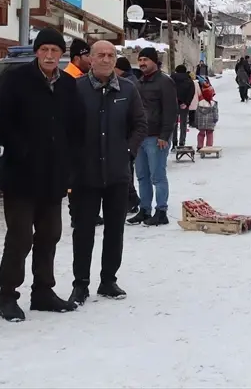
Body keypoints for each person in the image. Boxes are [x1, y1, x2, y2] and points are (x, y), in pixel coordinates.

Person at [0, 28, 83, 320]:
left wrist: (69, 163)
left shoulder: (69, 85)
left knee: (50, 235)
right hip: (21, 176)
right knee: (20, 238)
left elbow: (77, 128)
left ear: (61, 54)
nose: (49, 55)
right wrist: (25, 152)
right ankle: (7, 295)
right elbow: (1, 123)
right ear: (36, 52)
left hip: (53, 178)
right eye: (44, 50)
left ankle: (43, 291)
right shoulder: (16, 81)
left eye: (54, 51)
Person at [69, 40, 148, 306]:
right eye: (100, 54)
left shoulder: (128, 88)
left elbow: (140, 124)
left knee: (115, 230)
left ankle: (108, 280)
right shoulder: (76, 89)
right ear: (90, 59)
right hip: (85, 174)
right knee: (83, 232)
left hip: (117, 174)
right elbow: (64, 127)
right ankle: (80, 284)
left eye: (110, 55)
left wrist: (128, 152)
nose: (105, 59)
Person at [128, 47, 177, 227]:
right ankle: (145, 209)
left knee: (158, 176)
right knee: (142, 176)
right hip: (140, 137)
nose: (142, 63)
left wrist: (165, 135)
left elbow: (171, 110)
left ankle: (161, 211)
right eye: (140, 60)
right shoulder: (139, 83)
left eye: (145, 60)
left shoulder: (165, 82)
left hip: (157, 138)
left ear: (154, 62)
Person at [115, 57, 141, 216]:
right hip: (126, 136)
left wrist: (131, 145)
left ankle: (131, 201)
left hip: (126, 136)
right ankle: (130, 200)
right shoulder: (130, 80)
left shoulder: (128, 84)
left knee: (125, 172)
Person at [172, 65, 196, 149]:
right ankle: (182, 142)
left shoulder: (171, 80)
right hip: (184, 106)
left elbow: (168, 91)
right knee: (183, 124)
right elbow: (191, 92)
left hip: (173, 104)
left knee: (173, 124)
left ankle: (174, 143)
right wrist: (186, 103)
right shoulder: (189, 80)